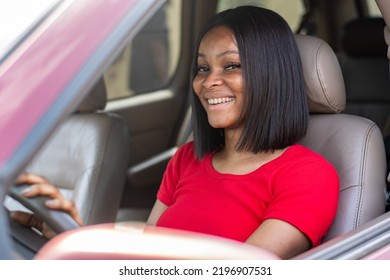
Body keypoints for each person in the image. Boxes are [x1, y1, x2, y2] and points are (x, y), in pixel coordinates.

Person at [11, 6, 339, 259]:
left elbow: (244, 271)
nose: (208, 81)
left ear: (272, 75)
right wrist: (68, 234)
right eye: (202, 68)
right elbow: (148, 254)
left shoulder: (309, 175)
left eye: (231, 66)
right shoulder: (188, 158)